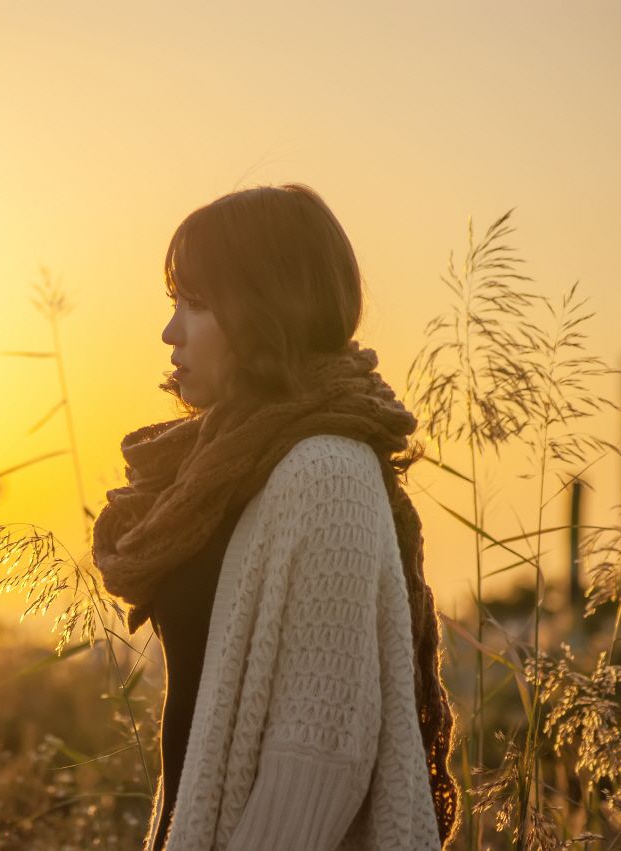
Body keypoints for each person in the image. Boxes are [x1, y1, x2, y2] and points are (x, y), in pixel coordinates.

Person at [90, 184, 459, 850]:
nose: (170, 331)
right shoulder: (232, 467)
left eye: (196, 304)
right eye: (175, 302)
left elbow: (321, 760)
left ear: (268, 307)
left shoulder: (328, 474)